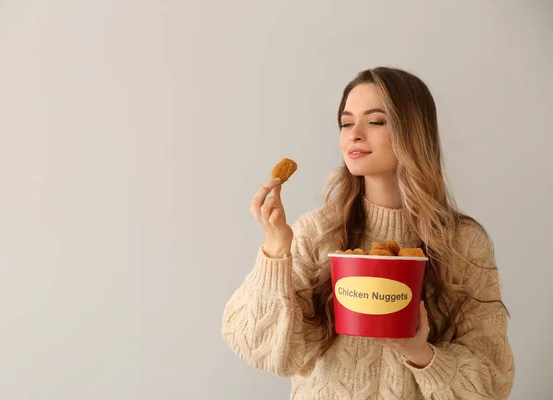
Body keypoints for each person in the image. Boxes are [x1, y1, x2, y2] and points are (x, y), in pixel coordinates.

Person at [221, 67, 515, 399]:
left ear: (412, 132)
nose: (354, 135)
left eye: (375, 121)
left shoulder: (463, 243)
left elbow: (492, 386)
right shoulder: (317, 232)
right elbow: (260, 350)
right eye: (346, 123)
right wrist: (276, 247)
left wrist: (420, 353)